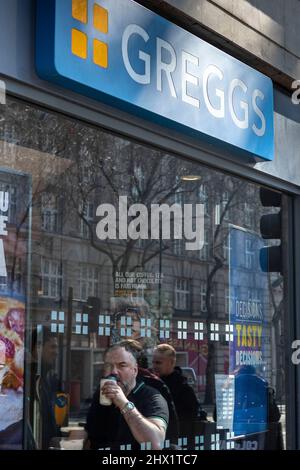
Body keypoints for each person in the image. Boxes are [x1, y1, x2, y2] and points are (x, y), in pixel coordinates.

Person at [84, 343, 169, 450]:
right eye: (108, 366)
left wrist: (124, 404)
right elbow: (90, 437)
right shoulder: (101, 395)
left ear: (135, 370)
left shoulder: (152, 397)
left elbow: (155, 444)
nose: (114, 372)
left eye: (122, 365)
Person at [117, 339, 179, 444]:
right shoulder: (108, 385)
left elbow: (171, 426)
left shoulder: (154, 385)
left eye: (121, 364)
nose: (115, 370)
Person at [152, 344, 200, 445]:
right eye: (153, 362)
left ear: (171, 363)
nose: (154, 366)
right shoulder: (152, 382)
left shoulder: (184, 389)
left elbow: (188, 422)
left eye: (158, 363)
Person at [31, 326, 61, 449]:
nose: (56, 352)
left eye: (57, 347)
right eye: (52, 347)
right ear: (38, 347)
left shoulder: (48, 378)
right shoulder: (28, 379)